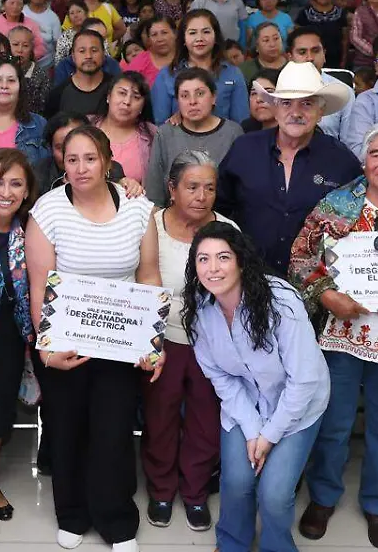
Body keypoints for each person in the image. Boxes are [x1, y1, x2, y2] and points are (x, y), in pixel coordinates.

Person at [289, 120, 378, 550]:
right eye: (376, 154)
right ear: (364, 161)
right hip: (341, 335)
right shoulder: (337, 203)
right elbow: (299, 257)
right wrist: (327, 295)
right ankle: (324, 497)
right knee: (334, 422)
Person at [26, 125, 161, 552]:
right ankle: (73, 513)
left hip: (120, 343)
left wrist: (153, 345)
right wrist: (46, 349)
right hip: (65, 340)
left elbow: (149, 276)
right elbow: (39, 285)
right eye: (71, 159)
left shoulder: (139, 210)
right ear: (62, 165)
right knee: (66, 430)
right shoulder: (46, 212)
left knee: (113, 431)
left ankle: (117, 519)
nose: (81, 167)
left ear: (106, 161)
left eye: (89, 158)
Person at [186, 220, 330, 552]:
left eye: (222, 257)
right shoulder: (200, 310)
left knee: (275, 494)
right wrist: (252, 430)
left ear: (240, 260)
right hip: (246, 405)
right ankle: (232, 543)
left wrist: (269, 436)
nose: (213, 268)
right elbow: (221, 377)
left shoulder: (280, 301)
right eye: (203, 259)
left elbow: (304, 380)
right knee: (236, 482)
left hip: (298, 405)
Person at [140, 151, 235, 532]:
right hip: (161, 338)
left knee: (205, 418)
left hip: (211, 342)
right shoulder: (151, 225)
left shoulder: (227, 229)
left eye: (209, 188)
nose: (201, 196)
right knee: (159, 417)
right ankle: (161, 488)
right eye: (192, 187)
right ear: (172, 189)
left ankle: (195, 492)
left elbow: (235, 291)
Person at [217, 61, 360, 275]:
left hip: (316, 287)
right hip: (249, 278)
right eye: (286, 103)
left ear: (321, 113)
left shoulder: (341, 160)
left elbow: (358, 222)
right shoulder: (244, 149)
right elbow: (219, 209)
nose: (296, 112)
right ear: (274, 110)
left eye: (307, 104)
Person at [145, 68, 244, 204]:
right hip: (173, 217)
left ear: (214, 97)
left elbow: (240, 189)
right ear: (178, 101)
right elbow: (154, 191)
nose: (193, 101)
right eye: (185, 96)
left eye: (200, 93)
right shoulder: (165, 134)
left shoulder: (233, 133)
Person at [151, 10, 249, 124]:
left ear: (216, 36)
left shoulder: (233, 74)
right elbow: (160, 124)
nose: (199, 38)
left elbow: (241, 123)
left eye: (206, 32)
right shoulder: (167, 74)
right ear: (183, 39)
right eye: (192, 33)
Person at [45, 29, 112, 118]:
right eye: (82, 51)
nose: (88, 56)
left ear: (104, 54)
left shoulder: (116, 88)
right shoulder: (58, 94)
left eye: (94, 50)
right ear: (73, 56)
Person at [296, 0, 348, 69]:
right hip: (310, 62)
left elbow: (345, 40)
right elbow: (298, 41)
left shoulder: (341, 13)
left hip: (335, 61)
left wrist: (344, 59)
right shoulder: (305, 13)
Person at [124, 17, 177, 87]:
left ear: (175, 34)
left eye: (164, 33)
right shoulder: (140, 61)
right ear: (149, 39)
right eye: (154, 35)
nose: (160, 39)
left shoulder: (186, 57)